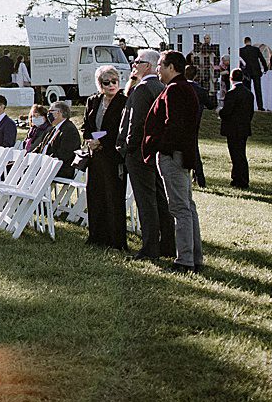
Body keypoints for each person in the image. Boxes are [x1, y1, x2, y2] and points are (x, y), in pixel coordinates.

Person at [144, 50, 204, 272]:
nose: (157, 69)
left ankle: (185, 259)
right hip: (182, 154)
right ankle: (194, 257)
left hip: (174, 155)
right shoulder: (183, 88)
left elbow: (174, 125)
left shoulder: (176, 90)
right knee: (188, 206)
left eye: (160, 65)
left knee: (180, 208)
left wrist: (162, 147)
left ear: (171, 67)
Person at [119, 48, 175, 262]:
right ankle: (168, 244)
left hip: (140, 153)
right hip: (155, 151)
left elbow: (136, 123)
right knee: (160, 199)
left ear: (148, 66)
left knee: (146, 201)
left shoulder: (143, 89)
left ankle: (150, 247)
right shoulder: (161, 86)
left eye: (138, 61)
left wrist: (127, 148)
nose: (134, 64)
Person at [80, 66, 127, 249]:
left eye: (114, 81)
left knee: (114, 197)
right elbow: (86, 126)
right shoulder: (93, 101)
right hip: (95, 156)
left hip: (113, 156)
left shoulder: (124, 102)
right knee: (95, 195)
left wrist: (100, 141)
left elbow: (119, 129)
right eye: (106, 82)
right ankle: (96, 237)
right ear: (100, 84)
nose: (111, 85)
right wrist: (91, 140)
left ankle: (116, 241)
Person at [219, 67, 254, 189]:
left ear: (231, 79)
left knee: (235, 155)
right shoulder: (249, 94)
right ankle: (236, 177)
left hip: (232, 128)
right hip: (243, 127)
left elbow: (227, 112)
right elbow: (250, 112)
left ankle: (241, 180)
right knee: (240, 153)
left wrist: (220, 112)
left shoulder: (231, 94)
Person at [37, 101, 83, 178]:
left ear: (59, 112)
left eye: (50, 111)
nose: (48, 114)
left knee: (26, 172)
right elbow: (41, 146)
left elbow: (64, 154)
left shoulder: (69, 130)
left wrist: (45, 161)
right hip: (46, 165)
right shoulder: (54, 129)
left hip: (60, 168)